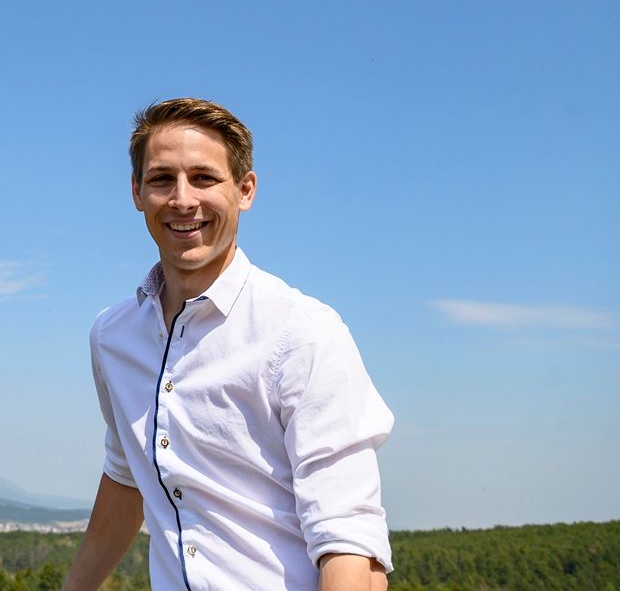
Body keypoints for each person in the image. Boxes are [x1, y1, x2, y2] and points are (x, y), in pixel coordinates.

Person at [62, 99, 392, 591]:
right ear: (136, 192)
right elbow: (127, 476)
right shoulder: (112, 337)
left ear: (245, 190)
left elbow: (350, 545)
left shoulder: (302, 332)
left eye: (204, 178)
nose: (182, 199)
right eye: (161, 179)